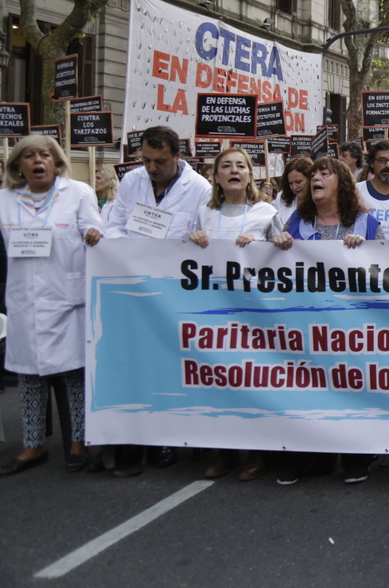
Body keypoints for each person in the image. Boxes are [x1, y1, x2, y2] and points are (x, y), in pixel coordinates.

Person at [103, 125, 213, 477]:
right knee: (134, 363)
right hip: (132, 285)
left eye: (160, 161)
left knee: (169, 364)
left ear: (177, 156)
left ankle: (167, 437)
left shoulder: (199, 188)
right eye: (147, 160)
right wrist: (132, 253)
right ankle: (132, 437)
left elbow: (201, 235)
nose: (152, 168)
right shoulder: (132, 181)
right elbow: (115, 224)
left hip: (172, 291)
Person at [270, 156, 383, 485]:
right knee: (306, 388)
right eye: (314, 174)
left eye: (324, 173)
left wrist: (368, 250)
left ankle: (355, 457)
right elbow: (276, 267)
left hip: (352, 328)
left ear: (342, 183)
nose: (316, 178)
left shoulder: (366, 223)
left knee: (352, 387)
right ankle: (307, 456)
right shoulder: (296, 221)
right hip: (308, 326)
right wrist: (278, 245)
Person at [0, 136, 103, 476]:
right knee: (29, 375)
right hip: (24, 301)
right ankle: (34, 445)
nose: (37, 161)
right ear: (18, 166)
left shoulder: (78, 193)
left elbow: (95, 228)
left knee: (74, 373)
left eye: (44, 155)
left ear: (56, 162)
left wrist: (94, 233)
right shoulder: (4, 199)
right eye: (29, 156)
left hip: (67, 299)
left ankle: (79, 441)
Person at [189, 147, 284, 482]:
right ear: (216, 176)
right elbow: (184, 256)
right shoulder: (204, 213)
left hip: (254, 313)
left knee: (255, 380)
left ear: (249, 174)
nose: (234, 170)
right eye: (226, 166)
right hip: (214, 314)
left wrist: (271, 243)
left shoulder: (265, 211)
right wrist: (193, 239)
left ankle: (259, 451)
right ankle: (225, 450)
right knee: (220, 381)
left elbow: (285, 252)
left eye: (240, 166)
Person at [273, 157, 313, 227]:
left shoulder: (320, 202)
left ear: (310, 178)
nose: (294, 187)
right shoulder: (281, 197)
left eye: (298, 182)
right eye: (290, 183)